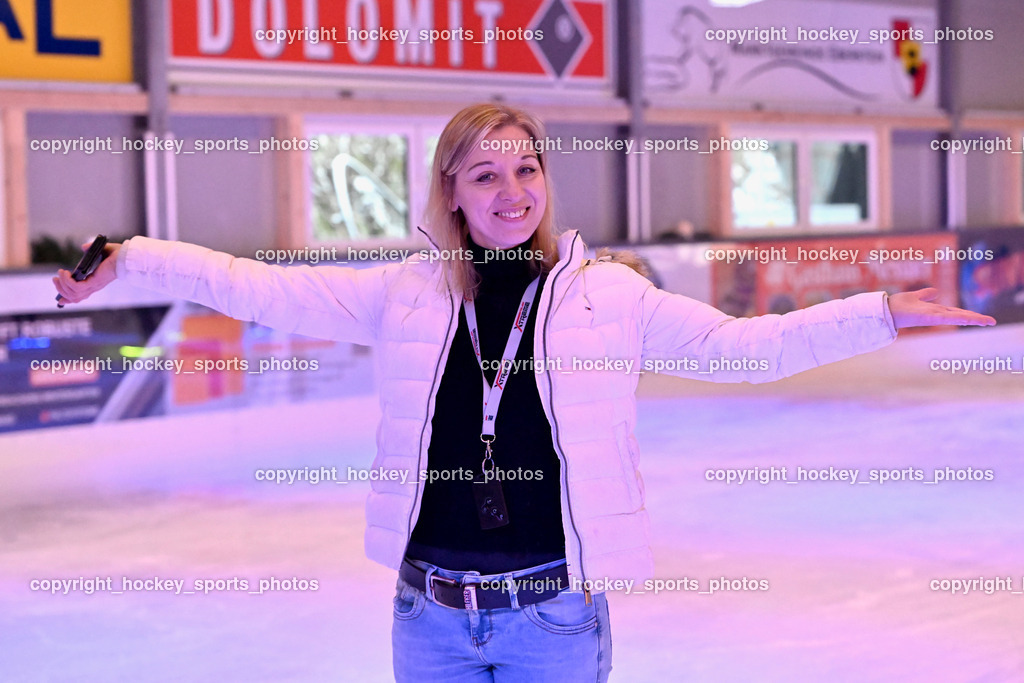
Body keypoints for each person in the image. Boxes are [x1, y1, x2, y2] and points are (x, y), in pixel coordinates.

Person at [52, 103, 995, 682]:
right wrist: (133, 257)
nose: (513, 190)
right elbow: (256, 285)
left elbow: (739, 350)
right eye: (487, 173)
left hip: (552, 613)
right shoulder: (404, 291)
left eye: (528, 168)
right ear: (452, 192)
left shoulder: (609, 295)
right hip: (427, 614)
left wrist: (876, 314)